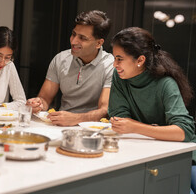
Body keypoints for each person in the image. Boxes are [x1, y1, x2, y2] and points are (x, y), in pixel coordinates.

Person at [108, 27, 195, 193]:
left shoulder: (165, 83)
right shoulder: (119, 76)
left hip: (182, 155)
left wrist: (136, 127)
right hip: (142, 152)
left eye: (119, 59)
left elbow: (185, 132)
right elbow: (120, 118)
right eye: (114, 58)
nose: (115, 64)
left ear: (140, 60)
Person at [27, 10, 114, 126]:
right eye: (73, 34)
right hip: (60, 124)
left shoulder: (111, 65)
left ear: (99, 43)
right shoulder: (60, 59)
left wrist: (76, 119)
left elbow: (104, 111)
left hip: (93, 129)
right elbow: (45, 99)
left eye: (82, 38)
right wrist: (37, 104)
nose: (73, 41)